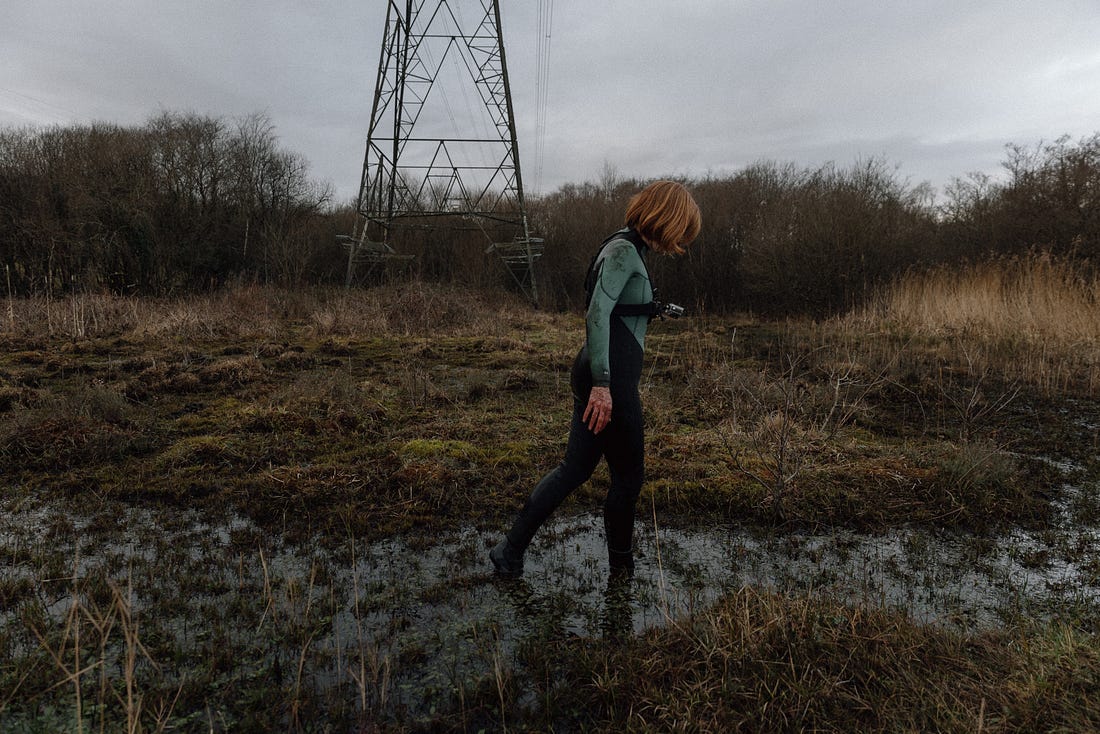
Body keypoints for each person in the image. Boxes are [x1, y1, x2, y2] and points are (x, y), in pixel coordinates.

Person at [490, 180, 702, 577]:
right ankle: (622, 571)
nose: (678, 242)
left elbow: (616, 308)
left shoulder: (624, 246)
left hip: (597, 372)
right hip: (610, 381)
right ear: (665, 218)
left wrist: (652, 309)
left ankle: (509, 551)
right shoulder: (623, 252)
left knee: (575, 469)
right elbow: (597, 313)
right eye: (680, 231)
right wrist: (604, 386)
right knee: (628, 478)